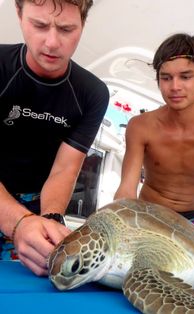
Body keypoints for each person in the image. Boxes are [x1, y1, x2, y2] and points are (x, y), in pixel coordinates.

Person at [114, 32, 194, 301]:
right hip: (146, 217)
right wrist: (117, 229)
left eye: (185, 76)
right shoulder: (140, 125)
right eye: (166, 77)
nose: (175, 86)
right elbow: (126, 191)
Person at [0, 0, 109, 276]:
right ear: (19, 14)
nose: (51, 43)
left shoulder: (93, 94)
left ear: (83, 25)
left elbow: (64, 170)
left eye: (66, 29)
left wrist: (48, 221)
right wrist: (18, 222)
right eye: (39, 25)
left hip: (37, 201)